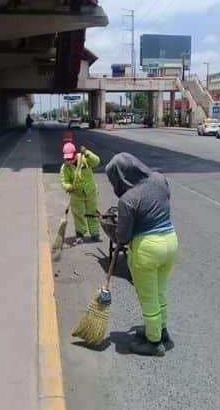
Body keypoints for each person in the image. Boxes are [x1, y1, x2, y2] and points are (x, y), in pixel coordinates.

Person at [106, 153, 178, 356]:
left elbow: (123, 236)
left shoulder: (128, 199)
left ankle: (153, 342)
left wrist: (121, 230)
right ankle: (162, 331)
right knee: (160, 291)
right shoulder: (159, 179)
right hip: (170, 241)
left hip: (148, 249)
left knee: (148, 297)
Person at [59, 142, 101, 244]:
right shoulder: (65, 167)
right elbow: (64, 181)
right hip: (76, 195)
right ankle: (80, 234)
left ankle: (95, 234)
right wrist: (69, 187)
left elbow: (96, 161)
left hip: (90, 192)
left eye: (71, 158)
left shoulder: (84, 159)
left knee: (92, 213)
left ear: (75, 154)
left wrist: (87, 152)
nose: (69, 161)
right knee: (78, 215)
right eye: (67, 159)